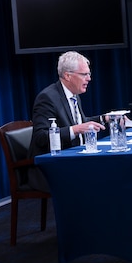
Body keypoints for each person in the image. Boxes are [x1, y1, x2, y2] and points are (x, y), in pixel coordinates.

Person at [28, 51, 107, 190]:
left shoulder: (73, 95)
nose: (89, 78)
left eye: (89, 74)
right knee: (102, 175)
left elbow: (81, 122)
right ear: (67, 76)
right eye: (84, 74)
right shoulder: (47, 98)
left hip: (74, 159)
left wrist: (105, 118)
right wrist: (75, 129)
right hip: (52, 166)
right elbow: (41, 136)